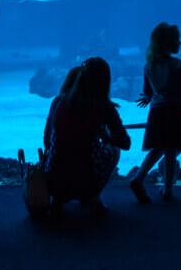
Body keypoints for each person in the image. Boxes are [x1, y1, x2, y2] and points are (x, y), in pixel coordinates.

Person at [43, 57, 132, 215]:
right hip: (86, 178)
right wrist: (106, 135)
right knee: (114, 150)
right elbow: (125, 143)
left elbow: (47, 140)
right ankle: (92, 197)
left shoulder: (58, 101)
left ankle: (58, 199)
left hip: (53, 177)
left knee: (57, 151)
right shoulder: (104, 106)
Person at [130, 22, 181, 203]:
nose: (180, 43)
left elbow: (147, 91)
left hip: (157, 111)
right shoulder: (177, 64)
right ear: (169, 43)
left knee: (158, 146)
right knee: (171, 149)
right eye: (177, 40)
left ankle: (139, 177)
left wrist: (150, 97)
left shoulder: (149, 65)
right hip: (175, 110)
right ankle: (167, 189)